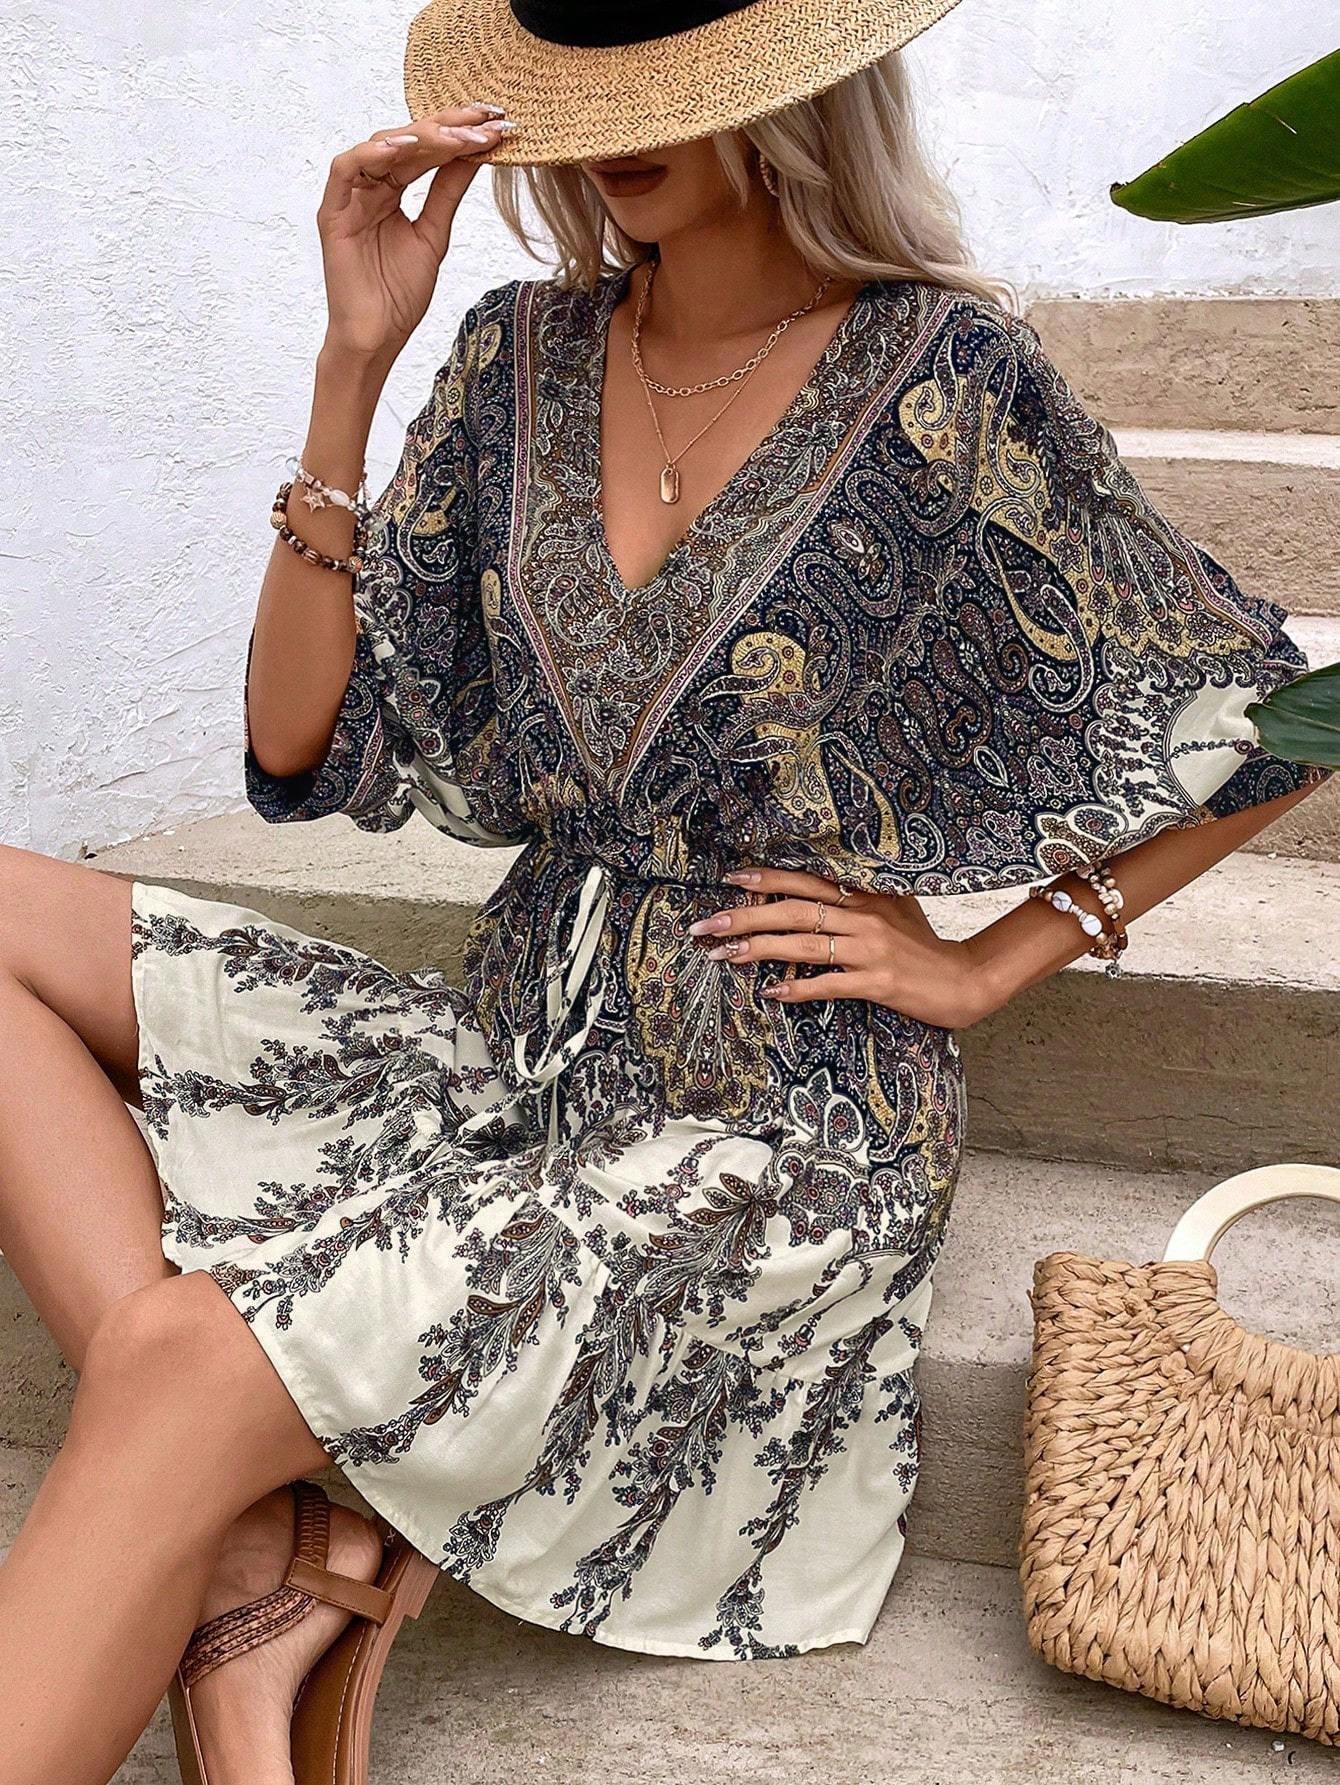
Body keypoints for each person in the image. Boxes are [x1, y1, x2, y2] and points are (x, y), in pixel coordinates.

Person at [0, 1, 1329, 1780]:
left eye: (669, 89)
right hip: (516, 1044)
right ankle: (248, 1543)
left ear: (790, 100)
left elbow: (1273, 723)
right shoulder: (517, 354)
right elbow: (301, 738)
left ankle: (233, 1508)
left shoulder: (942, 375)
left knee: (186, 1349)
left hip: (774, 1115)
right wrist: (351, 364)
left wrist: (999, 959)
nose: (622, 130)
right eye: (595, 91)